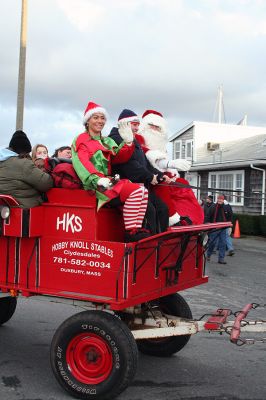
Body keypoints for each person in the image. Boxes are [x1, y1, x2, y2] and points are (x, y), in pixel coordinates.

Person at [72, 101, 150, 242]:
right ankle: (130, 232)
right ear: (87, 121)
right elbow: (82, 163)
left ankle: (136, 229)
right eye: (96, 117)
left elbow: (119, 157)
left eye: (102, 118)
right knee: (136, 191)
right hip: (94, 185)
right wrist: (96, 179)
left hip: (108, 181)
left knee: (142, 190)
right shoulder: (81, 140)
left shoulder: (106, 141)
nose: (100, 121)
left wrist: (127, 143)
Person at [109, 109, 170, 234]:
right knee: (150, 211)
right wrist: (149, 177)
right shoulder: (116, 139)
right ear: (125, 124)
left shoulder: (133, 140)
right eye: (134, 124)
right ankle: (150, 243)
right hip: (124, 187)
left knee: (162, 208)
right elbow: (129, 166)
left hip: (140, 188)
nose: (137, 128)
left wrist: (160, 175)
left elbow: (145, 164)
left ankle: (162, 240)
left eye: (138, 125)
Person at [139, 109, 204, 225]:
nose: (154, 130)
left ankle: (193, 217)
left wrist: (173, 175)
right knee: (162, 185)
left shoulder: (162, 148)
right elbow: (154, 159)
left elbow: (164, 162)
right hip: (149, 180)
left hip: (165, 178)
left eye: (157, 127)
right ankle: (173, 218)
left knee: (182, 182)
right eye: (151, 126)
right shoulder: (140, 142)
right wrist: (170, 164)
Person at [0, 131, 53, 207]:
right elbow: (46, 183)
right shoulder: (23, 164)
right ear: (24, 151)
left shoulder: (3, 160)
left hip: (4, 209)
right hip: (20, 209)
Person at [205, 194, 232, 264]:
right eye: (219, 199)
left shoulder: (226, 208)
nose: (220, 200)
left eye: (221, 199)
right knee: (212, 243)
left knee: (223, 243)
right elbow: (208, 215)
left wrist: (229, 227)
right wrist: (207, 223)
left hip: (223, 228)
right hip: (214, 228)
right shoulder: (213, 207)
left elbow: (230, 216)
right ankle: (208, 255)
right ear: (217, 199)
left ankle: (221, 259)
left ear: (223, 200)